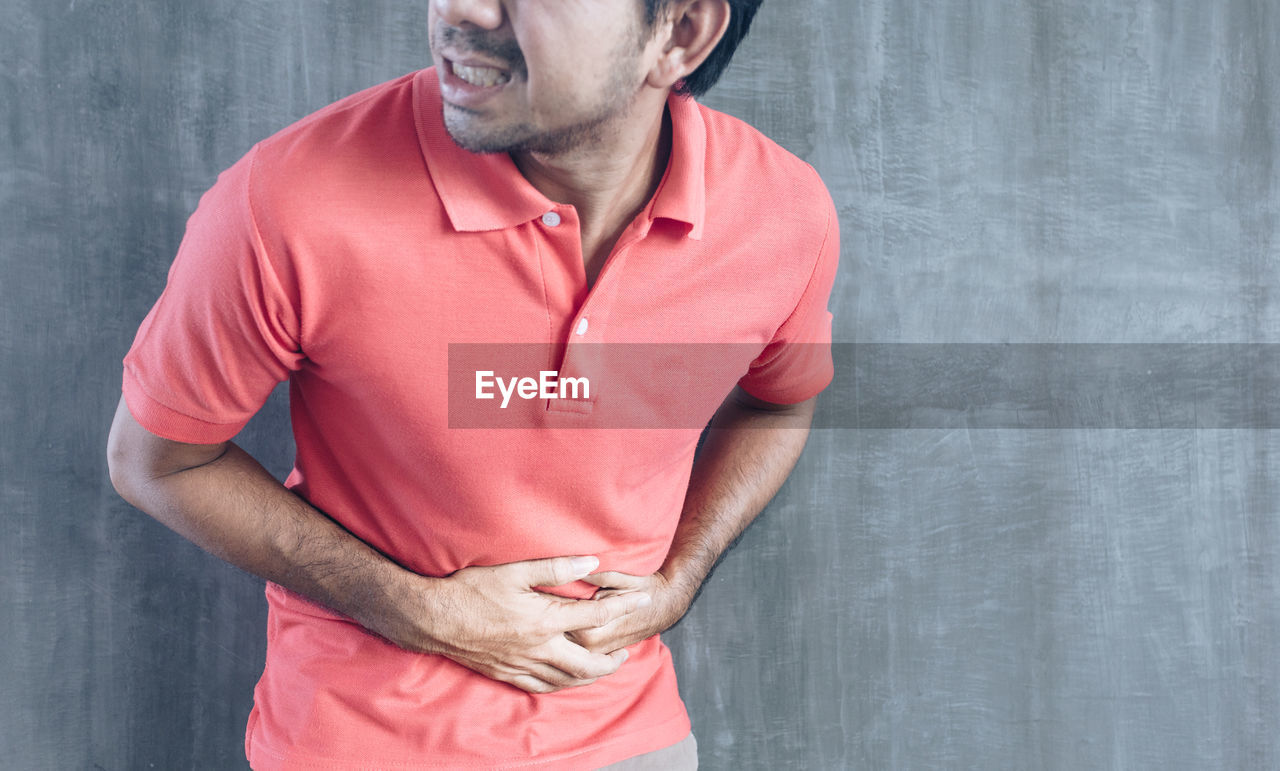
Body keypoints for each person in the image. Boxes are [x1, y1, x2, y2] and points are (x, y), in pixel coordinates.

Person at [106, 0, 839, 768]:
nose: (456, 8)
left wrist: (682, 573)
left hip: (632, 739)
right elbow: (157, 460)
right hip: (357, 747)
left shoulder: (784, 215)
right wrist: (420, 610)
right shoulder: (286, 201)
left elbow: (779, 399)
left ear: (682, 32)